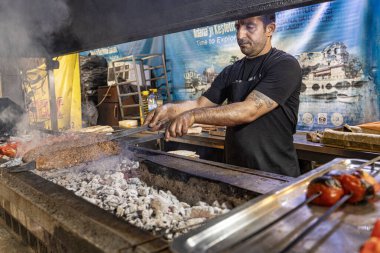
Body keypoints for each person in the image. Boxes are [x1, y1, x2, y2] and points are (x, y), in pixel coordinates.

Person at [144, 14, 302, 177]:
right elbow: (200, 104)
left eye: (249, 27)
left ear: (270, 29)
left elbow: (249, 110)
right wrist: (170, 110)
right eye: (237, 27)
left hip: (276, 175)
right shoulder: (231, 71)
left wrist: (191, 116)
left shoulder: (284, 65)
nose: (240, 35)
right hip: (236, 173)